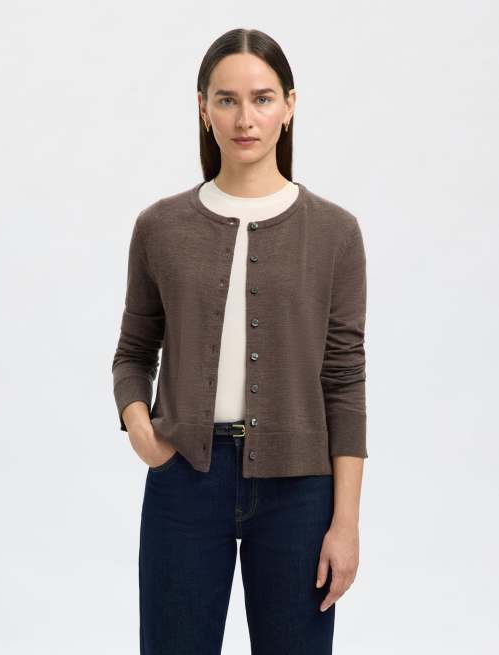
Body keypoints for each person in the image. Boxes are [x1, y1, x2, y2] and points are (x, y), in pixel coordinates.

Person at [112, 27, 368, 655]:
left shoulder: (335, 233)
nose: (245, 118)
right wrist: (142, 432)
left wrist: (345, 523)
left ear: (290, 105)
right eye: (226, 100)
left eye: (262, 98)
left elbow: (344, 380)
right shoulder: (160, 226)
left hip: (299, 492)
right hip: (183, 480)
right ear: (203, 108)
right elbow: (134, 352)